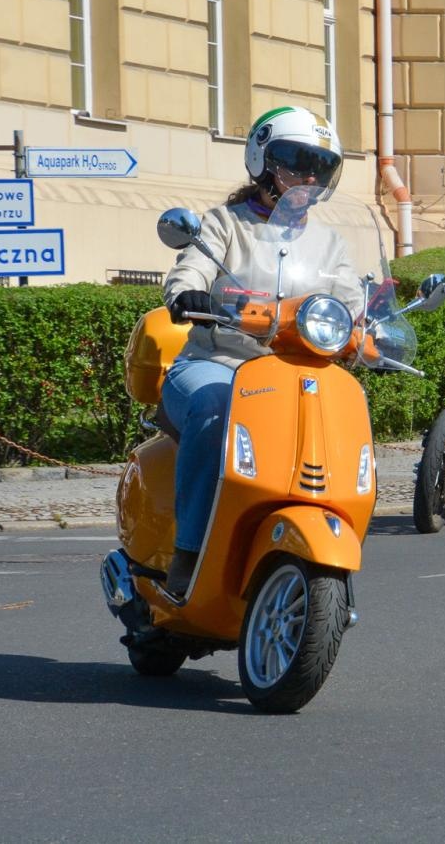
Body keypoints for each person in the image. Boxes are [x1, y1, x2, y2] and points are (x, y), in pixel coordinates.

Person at [160, 105, 360, 597]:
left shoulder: (330, 244)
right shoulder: (225, 223)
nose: (308, 176)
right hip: (216, 363)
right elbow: (190, 271)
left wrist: (368, 330)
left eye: (320, 167)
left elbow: (352, 302)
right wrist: (189, 294)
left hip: (294, 372)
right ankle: (189, 552)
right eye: (295, 161)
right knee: (214, 408)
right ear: (262, 160)